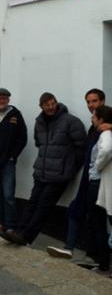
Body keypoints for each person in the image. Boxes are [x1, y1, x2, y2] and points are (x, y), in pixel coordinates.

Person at [0, 92, 87, 246]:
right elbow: (39, 144)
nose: (51, 107)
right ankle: (17, 232)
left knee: (43, 207)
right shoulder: (39, 122)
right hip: (41, 172)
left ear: (56, 103)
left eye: (53, 103)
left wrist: (70, 168)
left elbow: (82, 148)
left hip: (59, 175)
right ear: (41, 106)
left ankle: (26, 237)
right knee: (32, 203)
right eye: (47, 105)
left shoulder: (71, 122)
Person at [46, 89, 105, 259]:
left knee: (97, 219)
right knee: (77, 210)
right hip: (88, 178)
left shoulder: (106, 124)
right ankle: (74, 249)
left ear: (102, 101)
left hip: (100, 180)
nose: (90, 105)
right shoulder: (93, 126)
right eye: (88, 102)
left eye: (94, 101)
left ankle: (97, 258)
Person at [0, 88, 27, 234]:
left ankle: (11, 226)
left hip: (8, 162)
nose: (1, 100)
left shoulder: (15, 115)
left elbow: (22, 138)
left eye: (4, 98)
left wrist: (13, 156)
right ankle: (0, 223)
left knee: (8, 195)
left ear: (8, 100)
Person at [85, 105, 112, 275]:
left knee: (99, 223)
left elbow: (107, 150)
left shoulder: (106, 133)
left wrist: (97, 166)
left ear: (101, 119)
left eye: (94, 117)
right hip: (101, 182)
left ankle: (103, 265)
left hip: (98, 183)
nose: (92, 119)